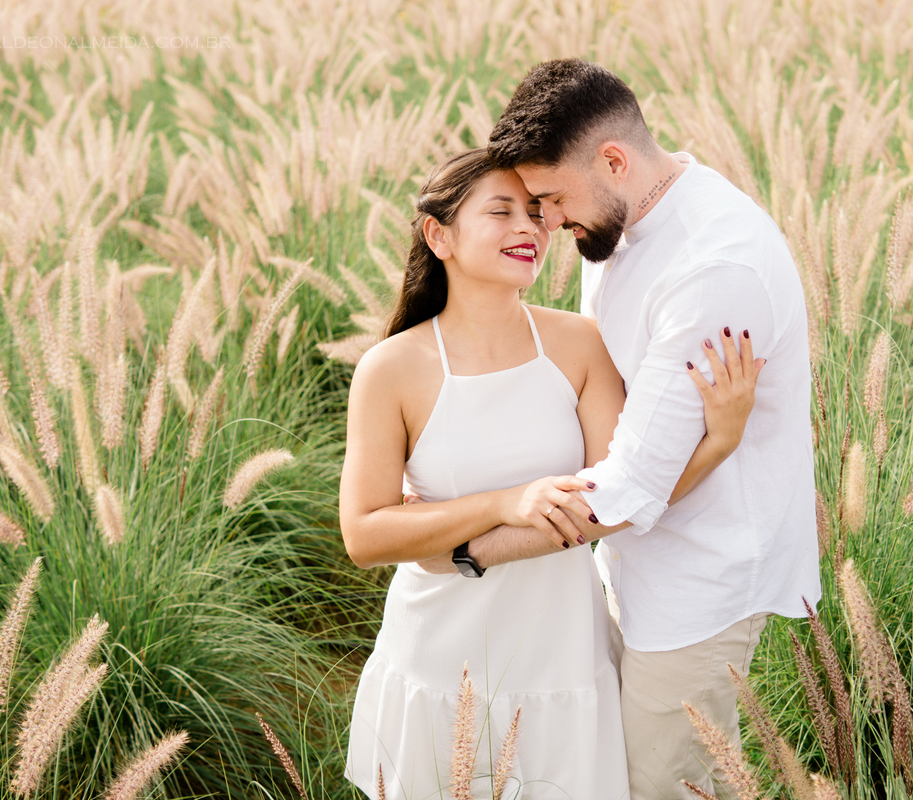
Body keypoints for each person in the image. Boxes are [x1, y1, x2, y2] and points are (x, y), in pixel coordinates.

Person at [339, 148, 763, 799]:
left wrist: (719, 442)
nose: (529, 229)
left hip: (562, 653)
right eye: (501, 211)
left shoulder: (578, 344)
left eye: (537, 213)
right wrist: (506, 502)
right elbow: (365, 534)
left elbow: (624, 495)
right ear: (439, 235)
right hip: (437, 655)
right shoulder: (391, 369)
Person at [480, 59, 822, 798]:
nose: (546, 221)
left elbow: (636, 482)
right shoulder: (622, 219)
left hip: (702, 575)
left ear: (612, 159)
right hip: (628, 556)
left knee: (661, 784)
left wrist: (466, 548)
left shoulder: (712, 270)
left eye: (551, 198)